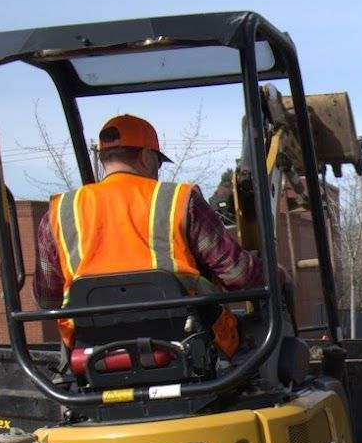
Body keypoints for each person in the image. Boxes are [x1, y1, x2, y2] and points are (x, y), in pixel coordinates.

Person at [34, 114, 264, 358]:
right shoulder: (180, 201)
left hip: (92, 351)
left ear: (104, 161)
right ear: (146, 157)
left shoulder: (59, 212)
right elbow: (238, 274)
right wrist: (275, 273)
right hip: (189, 345)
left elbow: (48, 300)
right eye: (158, 163)